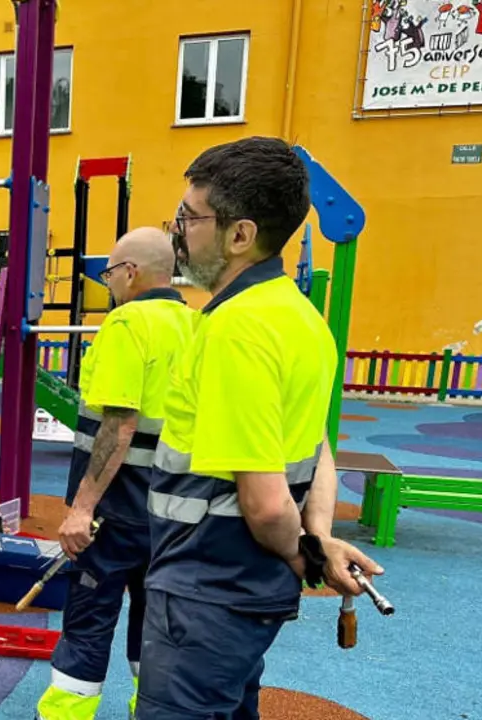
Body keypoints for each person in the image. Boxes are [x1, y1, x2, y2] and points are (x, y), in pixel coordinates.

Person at [137, 136, 383, 719]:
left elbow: (266, 504)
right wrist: (317, 537)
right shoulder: (300, 318)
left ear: (240, 234)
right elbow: (317, 446)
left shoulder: (237, 330)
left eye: (189, 217)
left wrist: (305, 555)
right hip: (244, 594)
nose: (177, 232)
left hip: (207, 587)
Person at [35, 228, 196, 720]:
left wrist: (82, 508)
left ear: (130, 272)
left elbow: (118, 425)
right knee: (157, 622)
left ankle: (65, 713)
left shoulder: (127, 324)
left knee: (89, 615)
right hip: (177, 508)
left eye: (108, 274)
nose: (108, 284)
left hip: (116, 509)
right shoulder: (198, 325)